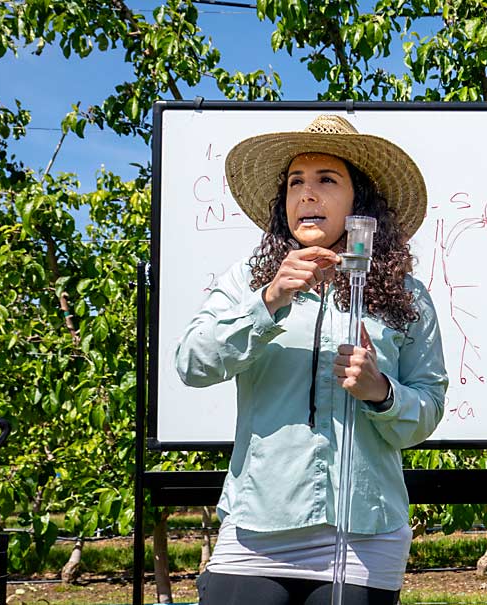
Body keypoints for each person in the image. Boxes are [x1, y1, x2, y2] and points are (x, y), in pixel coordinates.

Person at [175, 115, 448, 605]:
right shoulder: (248, 280)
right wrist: (269, 300)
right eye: (295, 182)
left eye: (327, 180)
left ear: (358, 202)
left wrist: (381, 393)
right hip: (259, 524)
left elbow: (427, 406)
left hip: (366, 534)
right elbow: (192, 364)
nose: (307, 193)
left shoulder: (405, 295)